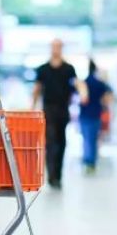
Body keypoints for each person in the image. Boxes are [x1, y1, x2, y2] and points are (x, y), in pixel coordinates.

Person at [32, 39, 87, 188]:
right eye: (54, 46)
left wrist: (83, 93)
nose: (56, 49)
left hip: (63, 109)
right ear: (51, 48)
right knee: (50, 141)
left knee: (61, 141)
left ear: (62, 48)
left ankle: (58, 174)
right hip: (48, 109)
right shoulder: (42, 69)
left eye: (58, 46)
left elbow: (77, 83)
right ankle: (51, 176)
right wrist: (32, 107)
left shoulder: (69, 68)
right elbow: (37, 88)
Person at [78, 60, 113, 171]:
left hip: (84, 114)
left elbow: (81, 98)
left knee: (85, 138)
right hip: (96, 114)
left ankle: (87, 160)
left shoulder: (83, 83)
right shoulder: (100, 84)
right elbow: (108, 95)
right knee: (92, 139)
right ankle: (91, 162)